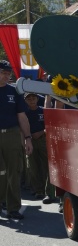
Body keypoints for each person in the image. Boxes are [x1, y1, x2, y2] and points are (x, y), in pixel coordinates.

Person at [0, 60, 33, 220]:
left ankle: (13, 208)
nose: (7, 76)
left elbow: (22, 117)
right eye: (3, 73)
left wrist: (28, 138)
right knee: (1, 172)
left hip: (11, 134)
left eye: (8, 74)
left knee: (14, 171)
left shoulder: (14, 92)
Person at [24, 92, 54, 203]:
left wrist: (42, 132)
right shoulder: (25, 113)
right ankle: (38, 190)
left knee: (46, 164)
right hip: (30, 140)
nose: (31, 100)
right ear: (25, 101)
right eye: (29, 99)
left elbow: (49, 123)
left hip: (43, 138)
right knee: (32, 166)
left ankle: (48, 190)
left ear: (37, 99)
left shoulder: (42, 110)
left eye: (33, 98)